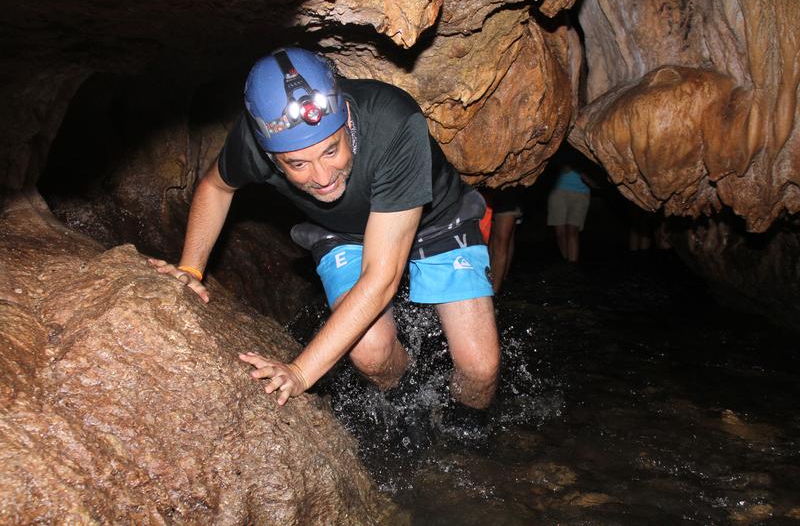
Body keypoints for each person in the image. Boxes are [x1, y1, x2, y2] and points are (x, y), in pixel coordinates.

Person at [148, 47, 500, 415]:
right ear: (270, 156)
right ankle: (408, 398)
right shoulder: (252, 143)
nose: (322, 176)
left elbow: (381, 280)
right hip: (340, 230)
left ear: (346, 118)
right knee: (371, 354)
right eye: (297, 163)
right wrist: (190, 269)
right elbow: (216, 188)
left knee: (479, 368)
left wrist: (301, 372)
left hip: (437, 220)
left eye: (331, 151)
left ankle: (465, 428)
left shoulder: (394, 123)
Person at [547, 163, 592, 264]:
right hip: (558, 191)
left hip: (581, 192)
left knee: (572, 230)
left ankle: (572, 265)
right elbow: (563, 168)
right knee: (560, 233)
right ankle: (566, 261)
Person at [485, 187, 523, 293]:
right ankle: (491, 281)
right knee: (492, 240)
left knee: (502, 242)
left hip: (508, 193)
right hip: (487, 193)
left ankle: (494, 292)